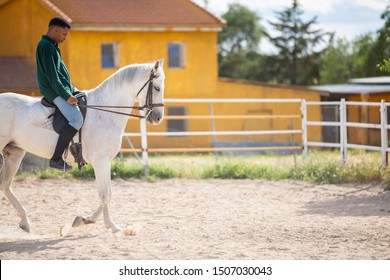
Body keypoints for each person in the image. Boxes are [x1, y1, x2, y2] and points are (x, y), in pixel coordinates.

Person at [36, 17, 83, 171]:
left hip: (62, 88)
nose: (65, 38)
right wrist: (66, 95)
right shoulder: (46, 46)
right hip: (53, 91)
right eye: (64, 34)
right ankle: (56, 159)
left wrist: (71, 90)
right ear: (55, 29)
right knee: (76, 119)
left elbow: (60, 75)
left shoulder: (52, 45)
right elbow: (53, 77)